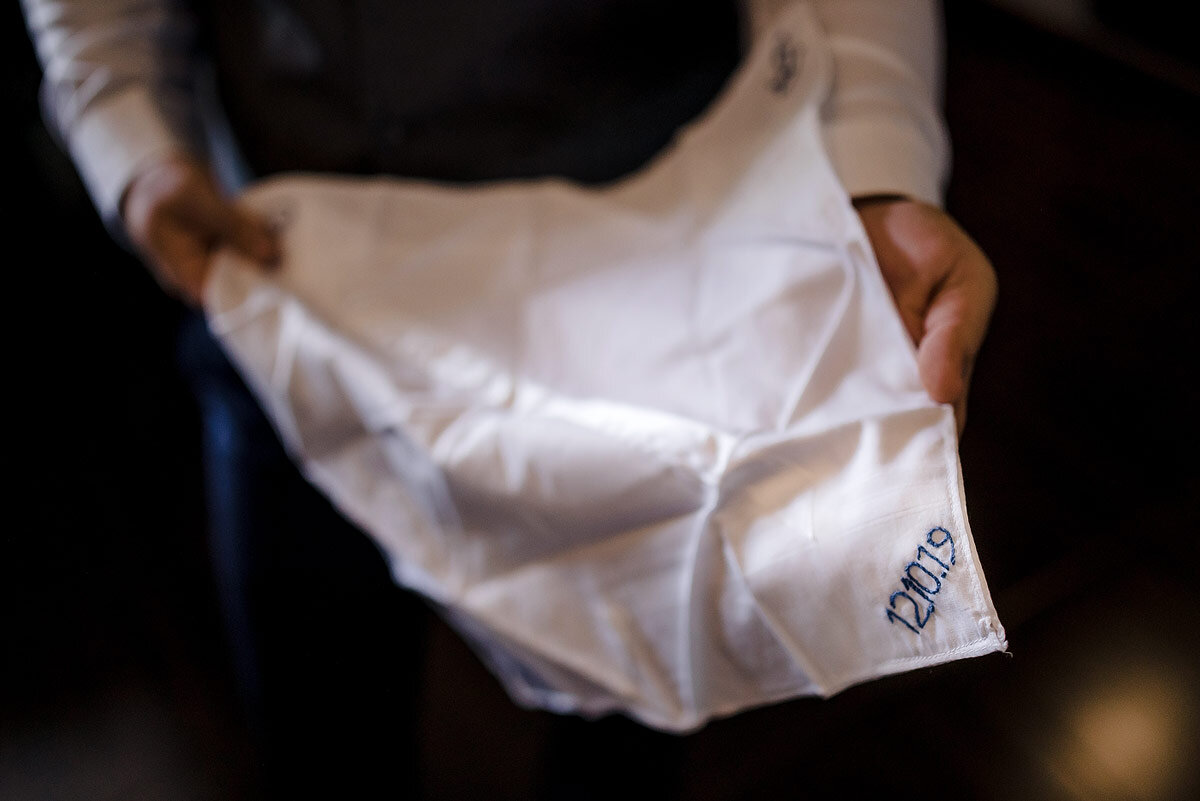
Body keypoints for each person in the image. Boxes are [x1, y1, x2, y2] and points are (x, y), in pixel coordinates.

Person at [22, 0, 997, 796]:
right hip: (289, 276)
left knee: (631, 724)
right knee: (317, 717)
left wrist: (870, 165)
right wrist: (128, 131)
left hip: (649, 272)